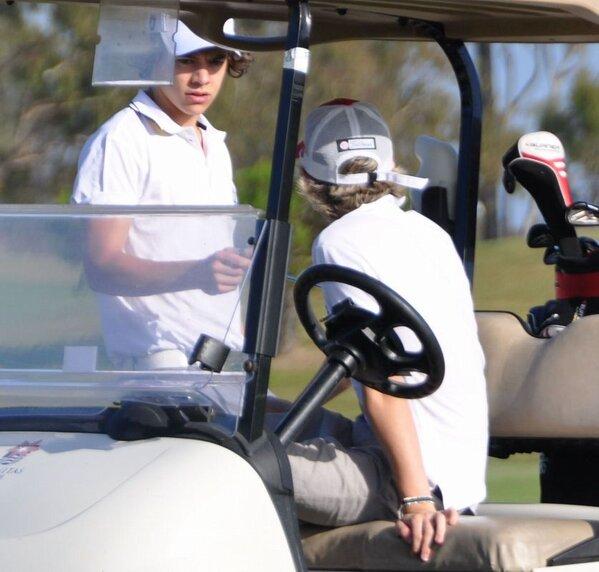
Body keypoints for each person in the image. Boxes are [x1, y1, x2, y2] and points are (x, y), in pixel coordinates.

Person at [289, 99, 488, 562]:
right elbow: (358, 362)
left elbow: (385, 380)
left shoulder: (338, 241)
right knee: (250, 422)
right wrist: (290, 408)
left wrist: (416, 499)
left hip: (412, 475)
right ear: (390, 163)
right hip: (452, 469)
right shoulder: (427, 233)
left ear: (309, 176)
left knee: (232, 460)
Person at [71, 21, 254, 369]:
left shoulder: (214, 143)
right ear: (153, 58)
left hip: (219, 358)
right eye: (185, 60)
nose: (202, 78)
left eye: (215, 60)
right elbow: (101, 266)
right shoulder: (121, 139)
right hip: (157, 364)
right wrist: (198, 273)